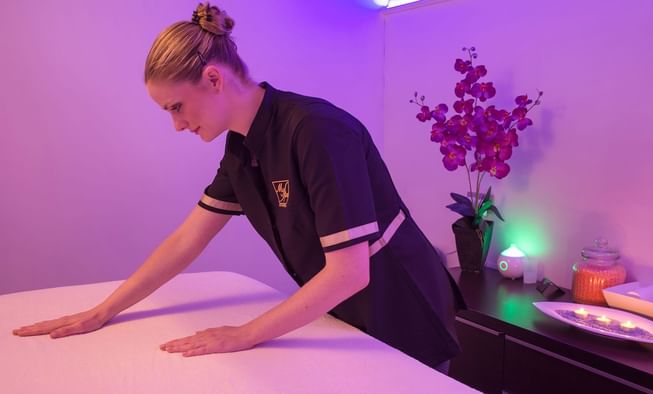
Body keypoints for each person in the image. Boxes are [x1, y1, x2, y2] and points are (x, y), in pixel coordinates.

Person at [12, 2, 462, 373]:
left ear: (212, 79)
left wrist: (243, 334)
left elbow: (350, 271)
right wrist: (103, 310)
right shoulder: (243, 148)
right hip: (347, 314)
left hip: (404, 310)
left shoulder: (317, 130)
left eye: (176, 107)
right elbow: (187, 239)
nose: (176, 124)